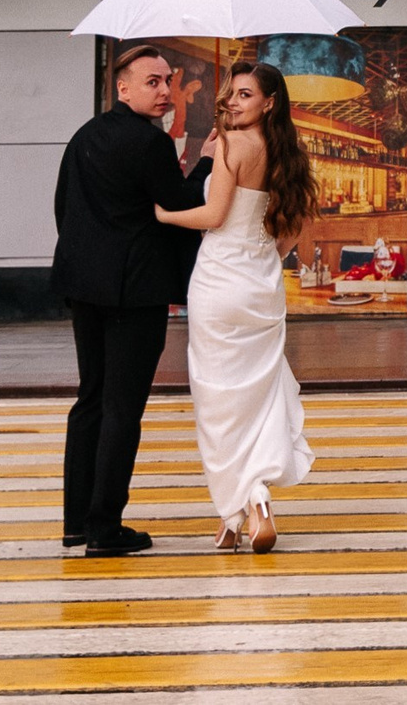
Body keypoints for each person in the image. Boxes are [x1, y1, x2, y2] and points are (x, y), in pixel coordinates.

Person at [153, 61, 318, 553]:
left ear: (269, 101)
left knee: (218, 401)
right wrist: (265, 257)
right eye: (231, 93)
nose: (231, 100)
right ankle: (250, 507)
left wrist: (161, 213)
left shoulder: (231, 144)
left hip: (220, 279)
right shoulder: (289, 152)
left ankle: (236, 506)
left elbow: (214, 214)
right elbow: (290, 231)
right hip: (262, 282)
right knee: (259, 395)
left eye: (244, 94)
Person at [51, 45, 209, 557]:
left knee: (91, 400)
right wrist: (204, 167)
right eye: (152, 82)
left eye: (167, 81)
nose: (164, 91)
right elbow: (179, 205)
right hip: (134, 291)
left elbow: (64, 208)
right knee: (123, 408)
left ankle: (77, 521)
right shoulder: (149, 143)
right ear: (122, 88)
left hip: (84, 288)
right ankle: (105, 527)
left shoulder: (84, 137)